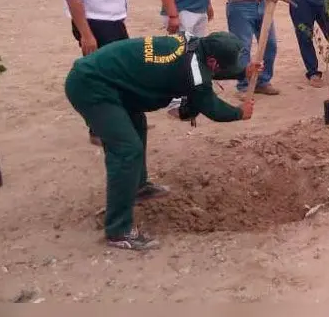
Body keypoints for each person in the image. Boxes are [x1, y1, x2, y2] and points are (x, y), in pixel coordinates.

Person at [64, 31, 260, 251]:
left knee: (137, 125)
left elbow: (203, 69)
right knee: (127, 149)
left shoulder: (193, 45)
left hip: (114, 82)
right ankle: (118, 230)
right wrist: (239, 112)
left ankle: (138, 187)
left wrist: (243, 71)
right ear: (213, 60)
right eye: (222, 66)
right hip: (91, 86)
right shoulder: (194, 70)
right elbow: (212, 107)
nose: (219, 70)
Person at [62, 0, 131, 146]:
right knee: (100, 78)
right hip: (96, 26)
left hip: (114, 23)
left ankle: (118, 121)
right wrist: (86, 35)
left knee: (120, 74)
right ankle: (98, 129)